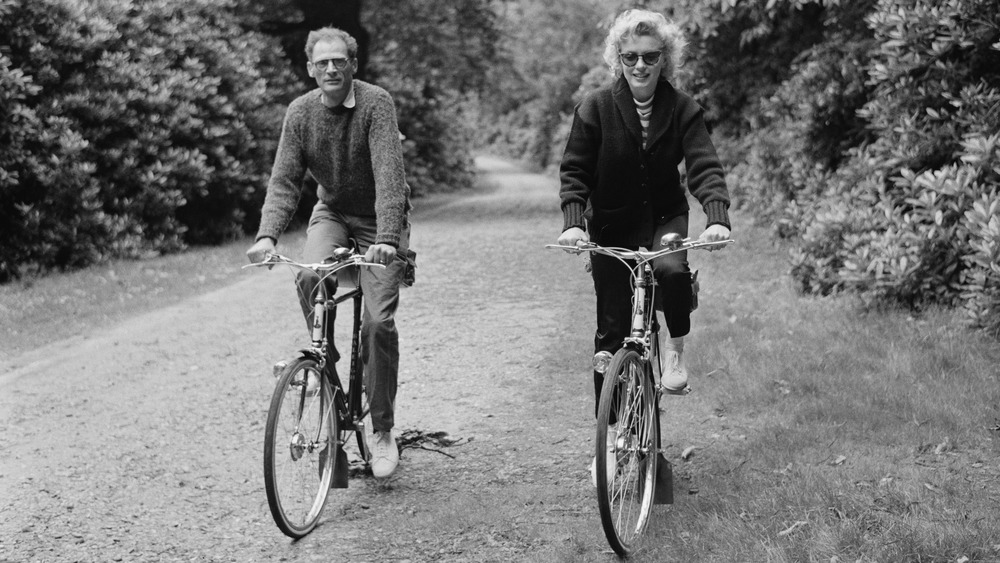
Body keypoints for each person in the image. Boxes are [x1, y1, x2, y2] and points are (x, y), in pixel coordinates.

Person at [555, 9, 731, 484]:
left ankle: (673, 348)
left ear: (664, 58)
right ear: (617, 57)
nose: (639, 65)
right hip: (610, 228)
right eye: (629, 56)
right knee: (610, 337)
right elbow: (574, 171)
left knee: (672, 272)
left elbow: (704, 166)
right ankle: (611, 441)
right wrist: (574, 224)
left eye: (650, 56)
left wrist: (716, 217)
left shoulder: (683, 108)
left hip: (662, 220)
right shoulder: (594, 108)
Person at [246, 26, 411, 479]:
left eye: (340, 60)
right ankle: (326, 373)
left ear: (353, 65)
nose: (332, 68)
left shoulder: (376, 103)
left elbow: (390, 177)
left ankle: (382, 430)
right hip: (333, 212)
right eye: (323, 63)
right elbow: (284, 182)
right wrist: (267, 237)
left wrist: (389, 238)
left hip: (379, 218)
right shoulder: (299, 113)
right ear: (310, 69)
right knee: (307, 275)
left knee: (377, 322)